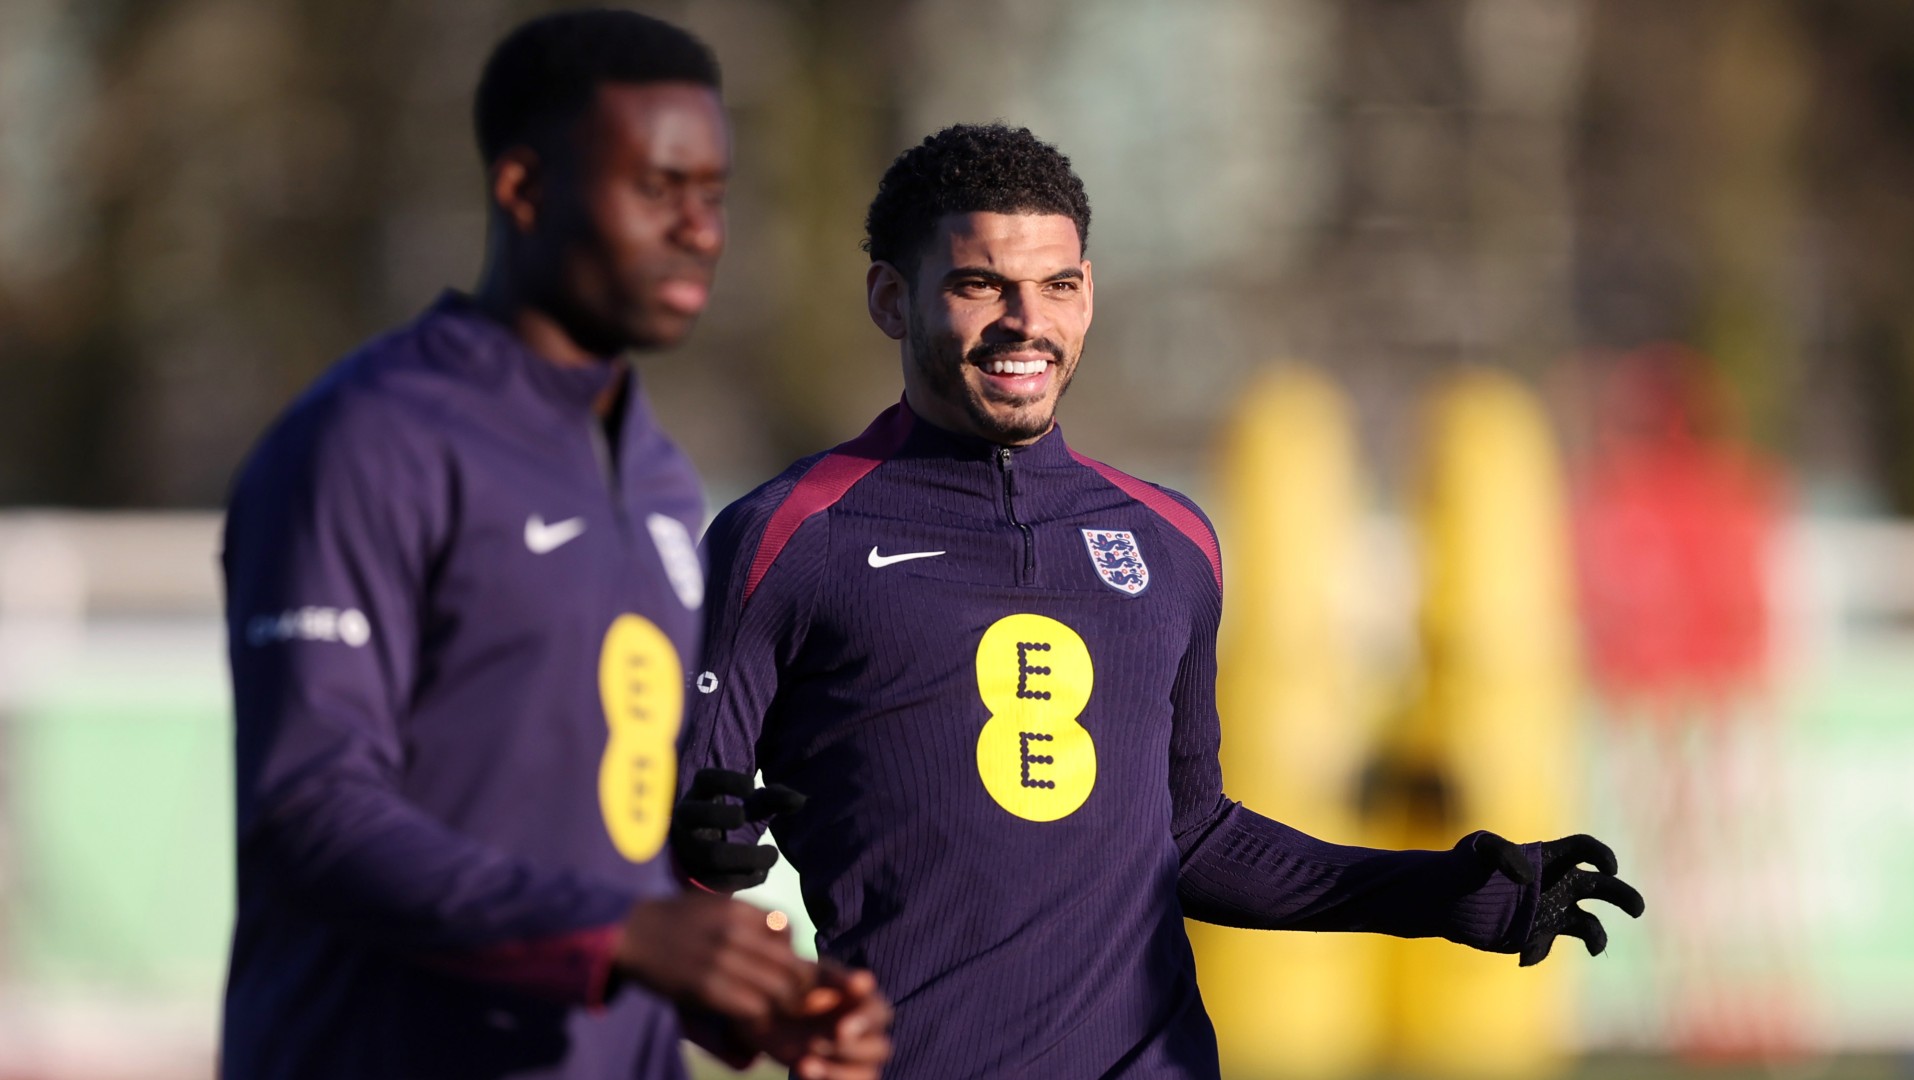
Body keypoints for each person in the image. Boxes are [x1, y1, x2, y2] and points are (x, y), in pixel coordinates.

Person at [675, 124, 1643, 1078]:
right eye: (981, 285)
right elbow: (665, 860)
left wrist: (1438, 891)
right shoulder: (787, 541)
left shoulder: (1165, 541)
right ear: (892, 298)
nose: (1027, 322)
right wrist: (695, 871)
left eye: (1058, 285)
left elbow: (1196, 836)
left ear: (1088, 294)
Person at [219, 11, 888, 1079]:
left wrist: (747, 994)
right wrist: (621, 937)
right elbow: (312, 808)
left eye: (713, 194)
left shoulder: (663, 479)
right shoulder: (369, 439)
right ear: (524, 190)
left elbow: (603, 842)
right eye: (658, 188)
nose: (701, 228)